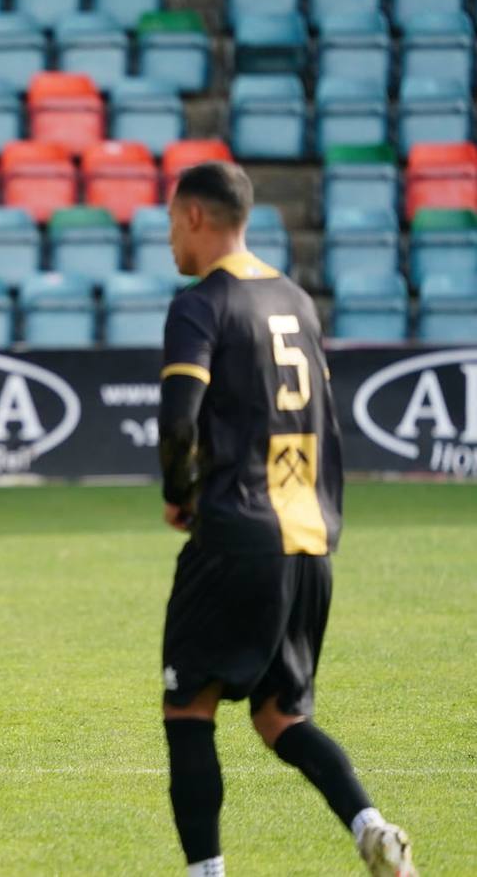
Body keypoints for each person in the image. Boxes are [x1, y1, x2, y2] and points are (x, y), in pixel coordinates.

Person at [157, 162, 416, 877]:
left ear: (198, 218)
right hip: (308, 541)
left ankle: (206, 873)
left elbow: (179, 418)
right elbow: (326, 424)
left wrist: (178, 492)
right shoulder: (297, 300)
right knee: (280, 717)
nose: (170, 237)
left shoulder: (201, 304)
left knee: (190, 711)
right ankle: (372, 826)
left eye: (173, 222)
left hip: (237, 536)